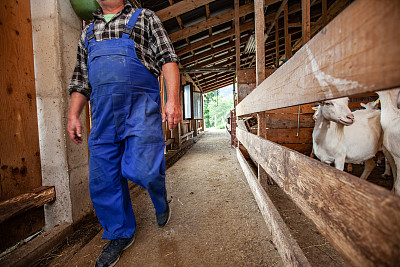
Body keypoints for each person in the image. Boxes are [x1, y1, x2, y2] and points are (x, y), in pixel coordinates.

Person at [67, 0, 181, 266]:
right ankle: (119, 233)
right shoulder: (88, 32)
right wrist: (73, 114)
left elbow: (168, 59)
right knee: (103, 178)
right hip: (103, 116)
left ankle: (158, 193)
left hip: (139, 109)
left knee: (143, 169)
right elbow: (81, 80)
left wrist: (172, 100)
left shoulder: (145, 18)